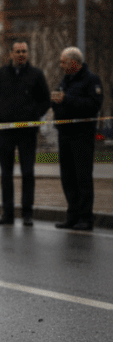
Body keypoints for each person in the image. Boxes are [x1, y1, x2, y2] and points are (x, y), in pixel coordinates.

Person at [0, 40, 51, 226]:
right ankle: (8, 214)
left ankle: (27, 214)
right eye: (18, 51)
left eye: (24, 51)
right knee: (6, 174)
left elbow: (45, 100)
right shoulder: (0, 74)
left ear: (27, 53)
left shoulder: (36, 75)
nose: (21, 54)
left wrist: (34, 115)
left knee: (27, 172)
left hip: (27, 132)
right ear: (11, 53)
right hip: (5, 131)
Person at [51, 46, 104, 231]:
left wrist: (66, 100)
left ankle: (86, 218)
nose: (61, 65)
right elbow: (59, 102)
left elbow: (93, 106)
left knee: (82, 179)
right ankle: (72, 217)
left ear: (74, 63)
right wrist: (56, 101)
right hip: (65, 135)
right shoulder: (65, 80)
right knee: (68, 179)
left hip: (82, 136)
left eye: (63, 62)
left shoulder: (91, 80)